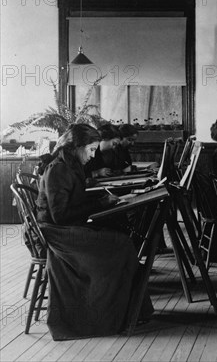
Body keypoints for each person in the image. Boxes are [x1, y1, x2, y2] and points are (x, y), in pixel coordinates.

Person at [36, 124, 153, 340]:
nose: (92, 156)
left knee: (122, 240)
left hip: (67, 226)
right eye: (90, 150)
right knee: (120, 245)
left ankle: (129, 312)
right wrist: (100, 202)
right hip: (57, 233)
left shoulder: (70, 165)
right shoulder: (59, 169)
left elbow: (74, 202)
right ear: (75, 147)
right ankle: (111, 315)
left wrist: (102, 202)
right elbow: (60, 216)